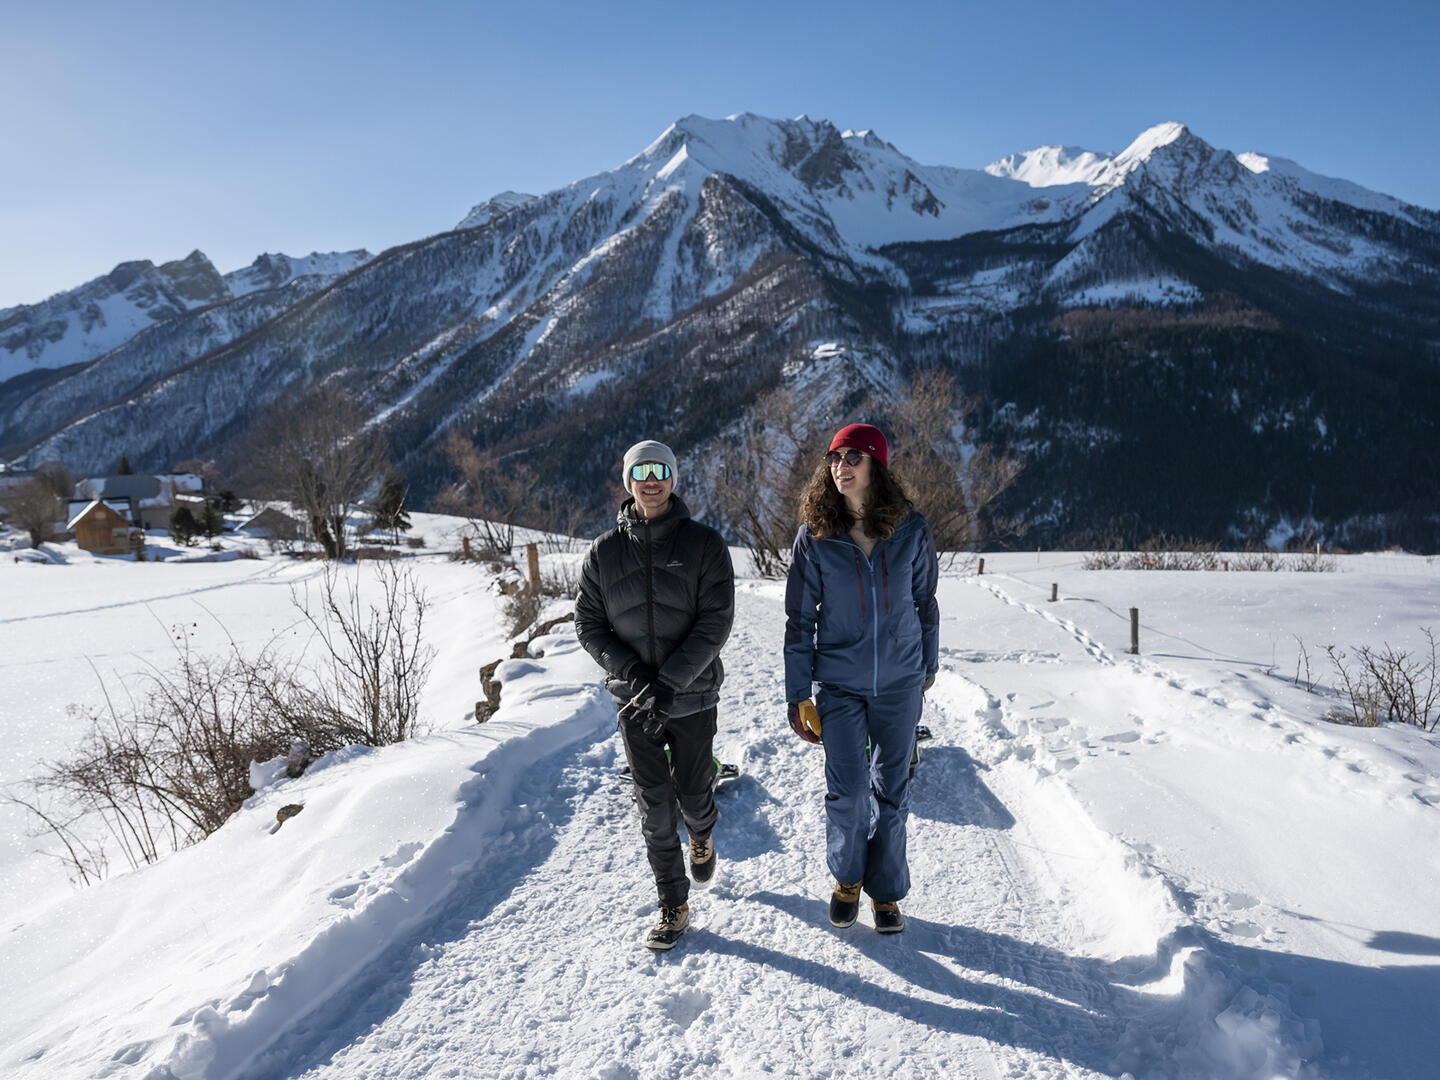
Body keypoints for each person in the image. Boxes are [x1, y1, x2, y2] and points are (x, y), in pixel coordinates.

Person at [575, 439, 735, 950]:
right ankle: (673, 903)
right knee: (654, 806)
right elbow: (588, 623)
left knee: (692, 796)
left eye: (660, 469)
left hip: (691, 698)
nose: (651, 479)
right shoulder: (604, 553)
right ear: (628, 482)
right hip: (635, 701)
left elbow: (715, 623)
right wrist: (635, 678)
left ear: (673, 478)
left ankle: (704, 832)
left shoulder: (704, 545)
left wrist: (670, 683)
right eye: (640, 471)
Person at [783, 423, 939, 933]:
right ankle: (847, 877)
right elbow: (799, 619)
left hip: (900, 684)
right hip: (841, 684)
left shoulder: (911, 530)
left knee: (893, 793)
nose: (840, 467)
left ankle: (886, 893)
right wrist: (797, 694)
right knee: (848, 791)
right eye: (834, 458)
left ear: (876, 464)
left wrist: (926, 668)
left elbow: (925, 603)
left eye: (852, 457)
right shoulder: (817, 535)